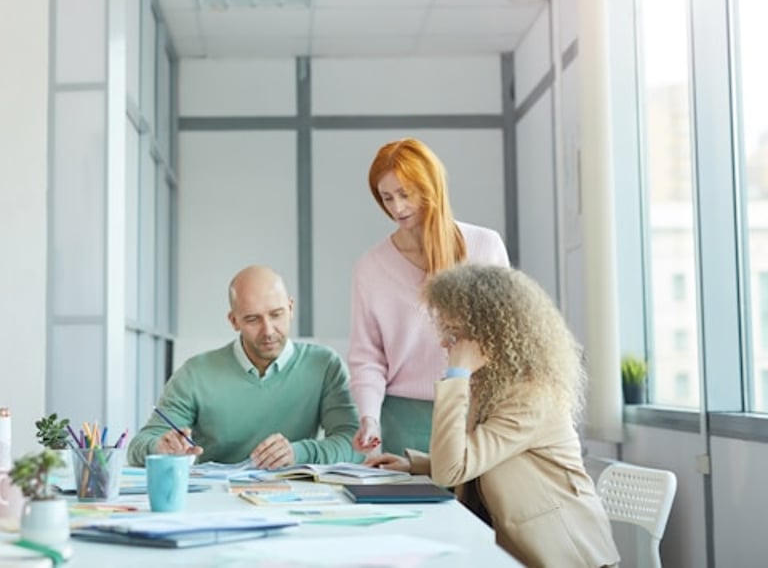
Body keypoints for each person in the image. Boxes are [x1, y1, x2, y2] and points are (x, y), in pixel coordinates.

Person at [366, 264, 620, 568]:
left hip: (562, 556)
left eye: (454, 333)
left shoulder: (531, 397)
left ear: (490, 335)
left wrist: (456, 376)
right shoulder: (494, 386)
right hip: (512, 549)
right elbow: (479, 458)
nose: (444, 343)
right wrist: (415, 465)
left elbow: (452, 472)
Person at [349, 137, 509, 456]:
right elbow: (368, 356)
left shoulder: (485, 247)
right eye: (387, 198)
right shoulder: (371, 267)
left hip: (477, 414)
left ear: (430, 188)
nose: (397, 208)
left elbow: (506, 338)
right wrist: (369, 418)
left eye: (405, 194)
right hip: (402, 421)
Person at [127, 265, 360, 468]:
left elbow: (355, 445)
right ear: (234, 321)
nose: (268, 331)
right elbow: (138, 446)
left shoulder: (324, 365)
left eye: (276, 315)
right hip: (215, 497)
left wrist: (299, 453)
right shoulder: (195, 373)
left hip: (297, 494)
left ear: (290, 308)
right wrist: (161, 447)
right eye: (252, 319)